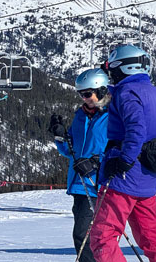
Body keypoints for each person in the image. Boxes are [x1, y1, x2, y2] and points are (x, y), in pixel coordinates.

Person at [90, 44, 156, 262]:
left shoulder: (127, 92)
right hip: (148, 178)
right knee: (150, 236)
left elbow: (136, 130)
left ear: (124, 68)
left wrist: (124, 161)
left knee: (103, 237)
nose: (110, 74)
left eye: (112, 68)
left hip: (123, 179)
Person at [51, 68, 110, 262]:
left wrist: (95, 163)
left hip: (99, 185)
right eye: (80, 94)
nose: (83, 98)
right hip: (79, 185)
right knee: (85, 236)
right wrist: (60, 136)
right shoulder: (81, 116)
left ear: (101, 91)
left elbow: (120, 149)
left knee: (86, 236)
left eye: (87, 94)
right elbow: (71, 152)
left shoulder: (112, 117)